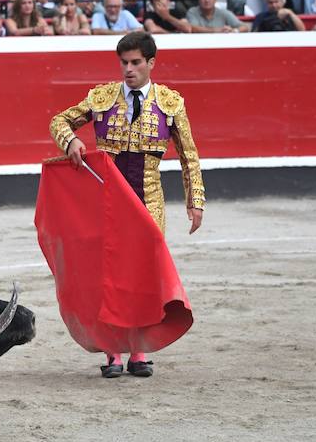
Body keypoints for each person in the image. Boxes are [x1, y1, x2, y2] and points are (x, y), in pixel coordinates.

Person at [49, 31, 205, 379]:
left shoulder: (171, 103)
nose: (129, 69)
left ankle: (138, 350)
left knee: (144, 276)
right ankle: (112, 352)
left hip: (149, 200)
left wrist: (195, 201)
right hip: (108, 200)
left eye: (135, 62)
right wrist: (70, 141)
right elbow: (59, 121)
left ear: (151, 63)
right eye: (124, 63)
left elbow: (189, 156)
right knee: (108, 276)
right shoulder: (102, 97)